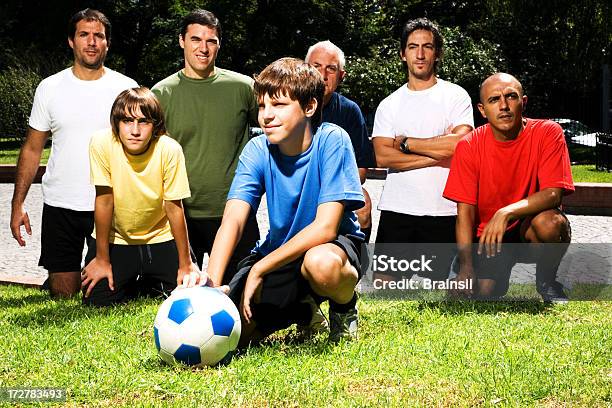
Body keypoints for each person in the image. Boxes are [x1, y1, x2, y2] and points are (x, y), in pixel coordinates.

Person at [206, 58, 365, 345]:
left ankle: (344, 307)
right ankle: (305, 309)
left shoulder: (332, 139)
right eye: (262, 105)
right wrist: (211, 285)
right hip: (281, 251)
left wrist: (260, 268)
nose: (266, 115)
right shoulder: (256, 149)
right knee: (236, 336)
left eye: (278, 105)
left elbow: (326, 228)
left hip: (332, 247)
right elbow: (234, 219)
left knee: (321, 265)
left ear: (309, 107)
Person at [10, 9, 137, 298]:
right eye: (84, 35)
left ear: (107, 43)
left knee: (102, 295)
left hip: (109, 203)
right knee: (63, 293)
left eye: (98, 36)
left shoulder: (126, 89)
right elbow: (32, 149)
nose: (91, 42)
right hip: (61, 205)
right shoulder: (50, 88)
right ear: (71, 41)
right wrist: (18, 205)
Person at [443, 73, 574, 302]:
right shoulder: (469, 146)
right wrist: (466, 267)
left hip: (527, 230)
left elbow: (554, 194)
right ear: (482, 110)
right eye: (494, 100)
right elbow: (464, 214)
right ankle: (467, 265)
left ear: (523, 102)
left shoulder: (548, 132)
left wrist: (505, 212)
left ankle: (547, 283)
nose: (503, 106)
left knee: (551, 223)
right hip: (489, 239)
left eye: (510, 97)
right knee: (479, 295)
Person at [152, 9, 259, 280]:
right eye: (196, 39)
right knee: (175, 294)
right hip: (181, 213)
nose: (203, 48)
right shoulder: (161, 93)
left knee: (245, 289)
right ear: (181, 41)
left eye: (211, 41)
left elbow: (277, 125)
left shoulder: (243, 87)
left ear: (219, 45)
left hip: (235, 209)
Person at [371, 17, 473, 280]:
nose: (420, 54)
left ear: (437, 53)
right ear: (402, 53)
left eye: (427, 46)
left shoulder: (456, 96)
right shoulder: (389, 104)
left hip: (445, 209)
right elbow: (382, 156)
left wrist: (408, 144)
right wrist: (437, 154)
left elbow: (462, 144)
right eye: (413, 46)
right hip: (398, 208)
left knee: (440, 292)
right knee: (385, 287)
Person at [81, 87, 200, 306]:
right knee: (97, 299)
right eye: (127, 121)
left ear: (155, 125)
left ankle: (147, 280)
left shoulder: (169, 149)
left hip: (160, 236)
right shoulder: (101, 143)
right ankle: (133, 278)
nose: (134, 130)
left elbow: (174, 206)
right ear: (116, 123)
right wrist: (101, 259)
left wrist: (185, 263)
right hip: (117, 238)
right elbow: (104, 200)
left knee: (187, 294)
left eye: (143, 121)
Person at [305, 40, 375, 241]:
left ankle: (357, 263)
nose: (323, 75)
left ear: (341, 76)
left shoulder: (349, 111)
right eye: (316, 66)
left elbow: (360, 171)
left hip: (334, 185)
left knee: (363, 204)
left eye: (331, 69)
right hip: (295, 182)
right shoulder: (290, 105)